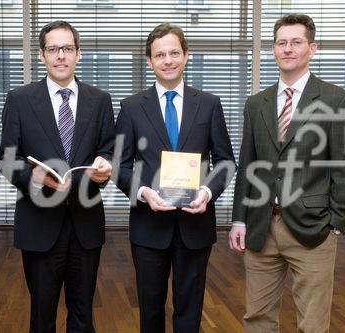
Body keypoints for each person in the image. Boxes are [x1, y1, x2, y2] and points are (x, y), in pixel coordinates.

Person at [229, 14, 345, 332]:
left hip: (314, 229)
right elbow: (248, 164)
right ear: (273, 49)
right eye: (281, 43)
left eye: (296, 42)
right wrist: (239, 218)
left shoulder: (335, 99)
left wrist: (337, 223)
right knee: (257, 319)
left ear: (312, 48)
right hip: (261, 226)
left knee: (312, 324)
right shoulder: (255, 103)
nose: (288, 49)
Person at [115, 23, 235, 333]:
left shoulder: (209, 104)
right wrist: (143, 192)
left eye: (174, 53)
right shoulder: (130, 108)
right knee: (150, 312)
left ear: (186, 56)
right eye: (160, 55)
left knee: (189, 312)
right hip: (148, 226)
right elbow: (120, 166)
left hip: (195, 226)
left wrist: (207, 193)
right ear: (149, 61)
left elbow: (225, 161)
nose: (168, 60)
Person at [0, 20, 114, 333]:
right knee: (41, 317)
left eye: (67, 48)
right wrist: (35, 176)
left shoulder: (100, 100)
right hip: (39, 226)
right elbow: (7, 160)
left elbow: (109, 151)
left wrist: (105, 169)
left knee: (83, 316)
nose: (60, 55)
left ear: (79, 54)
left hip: (85, 225)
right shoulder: (20, 99)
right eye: (53, 49)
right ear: (41, 55)